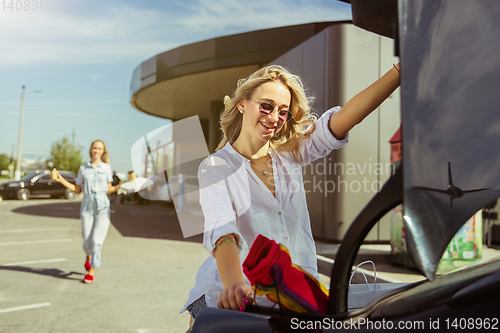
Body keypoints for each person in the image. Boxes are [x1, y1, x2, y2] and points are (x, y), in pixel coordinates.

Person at [181, 64, 400, 324]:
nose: (274, 117)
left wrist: (400, 70)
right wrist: (234, 284)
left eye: (283, 112)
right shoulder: (217, 167)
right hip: (232, 303)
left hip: (295, 300)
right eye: (266, 106)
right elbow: (222, 229)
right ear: (242, 105)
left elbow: (345, 118)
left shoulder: (290, 155)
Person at [56, 140, 122, 283]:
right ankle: (88, 255)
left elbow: (109, 189)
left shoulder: (106, 168)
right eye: (95, 148)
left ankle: (91, 270)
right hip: (87, 203)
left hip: (102, 204)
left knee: (96, 240)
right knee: (87, 239)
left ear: (102, 152)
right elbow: (77, 189)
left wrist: (120, 186)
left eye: (100, 149)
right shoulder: (83, 168)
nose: (97, 151)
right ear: (91, 150)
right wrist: (61, 180)